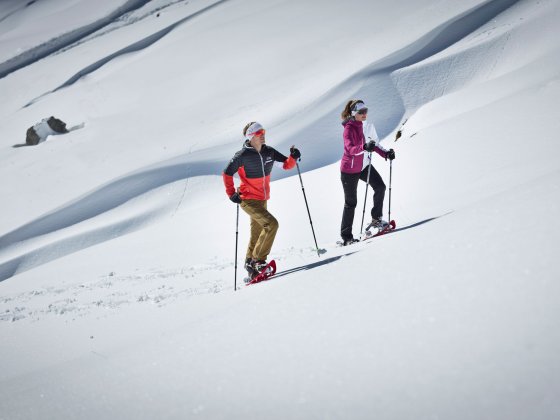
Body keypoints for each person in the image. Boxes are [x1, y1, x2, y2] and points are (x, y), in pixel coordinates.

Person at [223, 122, 301, 279]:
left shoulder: (269, 152)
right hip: (247, 199)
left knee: (257, 232)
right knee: (271, 224)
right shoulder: (242, 156)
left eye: (264, 131)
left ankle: (249, 263)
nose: (263, 134)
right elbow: (227, 173)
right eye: (260, 133)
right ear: (251, 137)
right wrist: (231, 193)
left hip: (262, 198)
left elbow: (286, 165)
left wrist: (293, 157)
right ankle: (257, 260)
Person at [339, 99, 395, 246]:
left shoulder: (362, 125)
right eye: (361, 112)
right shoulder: (349, 129)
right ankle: (346, 237)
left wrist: (386, 154)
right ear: (354, 114)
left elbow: (372, 145)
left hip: (363, 166)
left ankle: (376, 219)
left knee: (380, 187)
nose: (364, 114)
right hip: (349, 170)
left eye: (366, 111)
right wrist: (364, 147)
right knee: (351, 203)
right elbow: (350, 149)